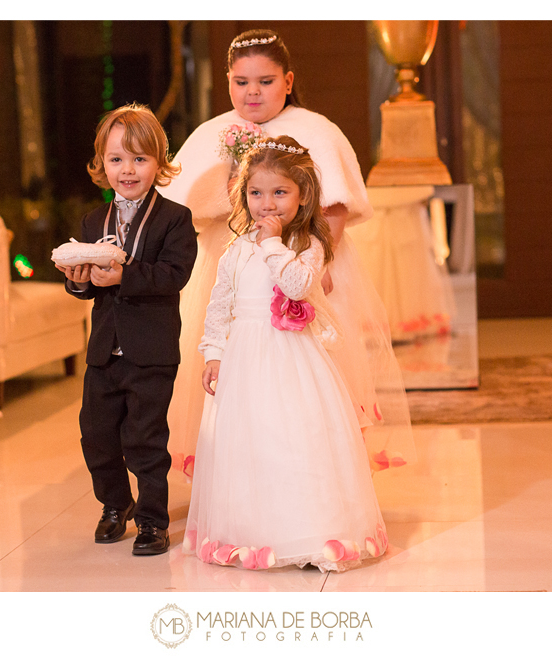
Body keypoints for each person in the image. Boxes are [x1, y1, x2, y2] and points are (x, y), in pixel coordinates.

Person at [164, 28, 414, 483]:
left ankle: (312, 473)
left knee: (305, 372)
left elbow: (334, 203)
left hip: (301, 262)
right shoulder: (211, 133)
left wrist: (326, 261)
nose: (252, 92)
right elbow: (182, 204)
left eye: (265, 81)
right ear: (227, 81)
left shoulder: (315, 129)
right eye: (241, 82)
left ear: (288, 79)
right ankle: (241, 476)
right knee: (233, 363)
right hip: (230, 265)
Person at [183, 136, 388, 572]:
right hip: (245, 358)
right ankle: (256, 531)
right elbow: (221, 303)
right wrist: (214, 352)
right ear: (244, 195)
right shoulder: (236, 250)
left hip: (293, 357)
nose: (267, 204)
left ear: (303, 195)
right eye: (256, 193)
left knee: (297, 435)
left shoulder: (308, 245)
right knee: (252, 440)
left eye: (280, 192)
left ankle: (311, 529)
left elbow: (295, 285)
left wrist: (274, 244)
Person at [58, 103, 197, 555]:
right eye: (117, 159)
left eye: (140, 159)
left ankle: (153, 521)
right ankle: (116, 506)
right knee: (96, 435)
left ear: (159, 162)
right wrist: (78, 284)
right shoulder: (93, 221)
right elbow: (88, 288)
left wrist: (127, 273)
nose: (128, 170)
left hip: (151, 351)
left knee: (145, 438)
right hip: (104, 351)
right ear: (102, 165)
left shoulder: (175, 218)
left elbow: (175, 274)